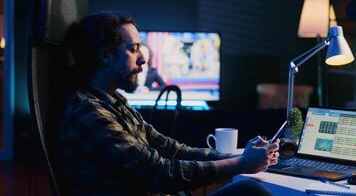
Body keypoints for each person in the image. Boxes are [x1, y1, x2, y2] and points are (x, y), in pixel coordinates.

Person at [60, 12, 280, 196]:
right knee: (250, 191)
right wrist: (241, 164)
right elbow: (158, 173)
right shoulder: (89, 113)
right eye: (133, 49)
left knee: (248, 189)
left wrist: (238, 157)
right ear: (106, 55)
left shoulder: (114, 102)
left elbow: (172, 149)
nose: (143, 59)